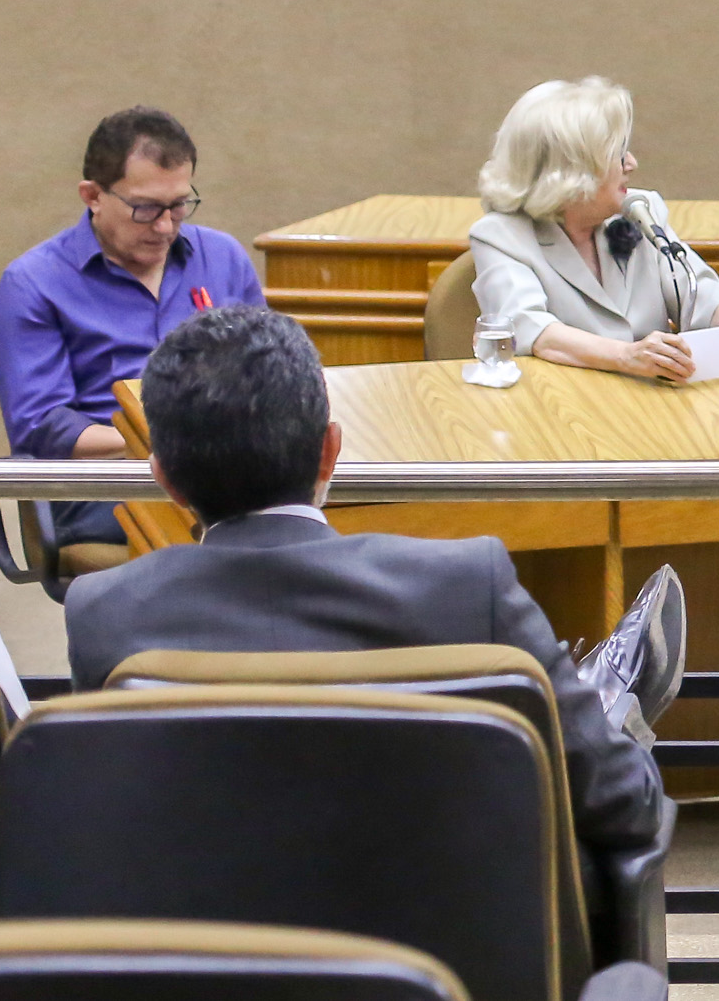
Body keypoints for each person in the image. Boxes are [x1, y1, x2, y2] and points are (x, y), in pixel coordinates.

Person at [63, 307, 670, 856]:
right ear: (331, 451)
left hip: (209, 967)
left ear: (164, 481)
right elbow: (623, 804)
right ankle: (605, 697)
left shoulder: (105, 611)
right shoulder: (464, 587)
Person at [0, 107, 265, 551]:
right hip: (106, 486)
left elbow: (270, 376)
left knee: (314, 506)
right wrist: (173, 443)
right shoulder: (33, 283)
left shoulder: (224, 258)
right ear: (92, 196)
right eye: (145, 209)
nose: (164, 226)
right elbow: (42, 427)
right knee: (245, 522)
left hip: (225, 470)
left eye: (178, 206)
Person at [469, 78, 719, 380]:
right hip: (558, 410)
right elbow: (530, 328)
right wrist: (625, 355)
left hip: (649, 405)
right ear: (572, 169)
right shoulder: (501, 236)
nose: (632, 163)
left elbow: (698, 290)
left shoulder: (639, 210)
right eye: (619, 154)